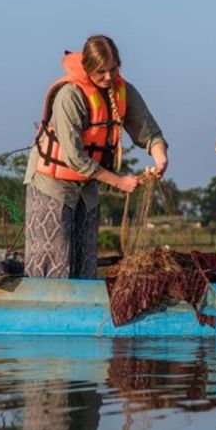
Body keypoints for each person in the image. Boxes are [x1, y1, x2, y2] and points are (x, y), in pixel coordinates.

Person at [23, 35, 168, 279]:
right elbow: (74, 158)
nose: (109, 77)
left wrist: (160, 158)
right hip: (52, 185)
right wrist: (119, 182)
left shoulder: (124, 91)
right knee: (52, 262)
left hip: (87, 186)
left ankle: (81, 314)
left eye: (113, 69)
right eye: (101, 72)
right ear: (88, 68)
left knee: (85, 262)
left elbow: (150, 133)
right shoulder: (70, 95)